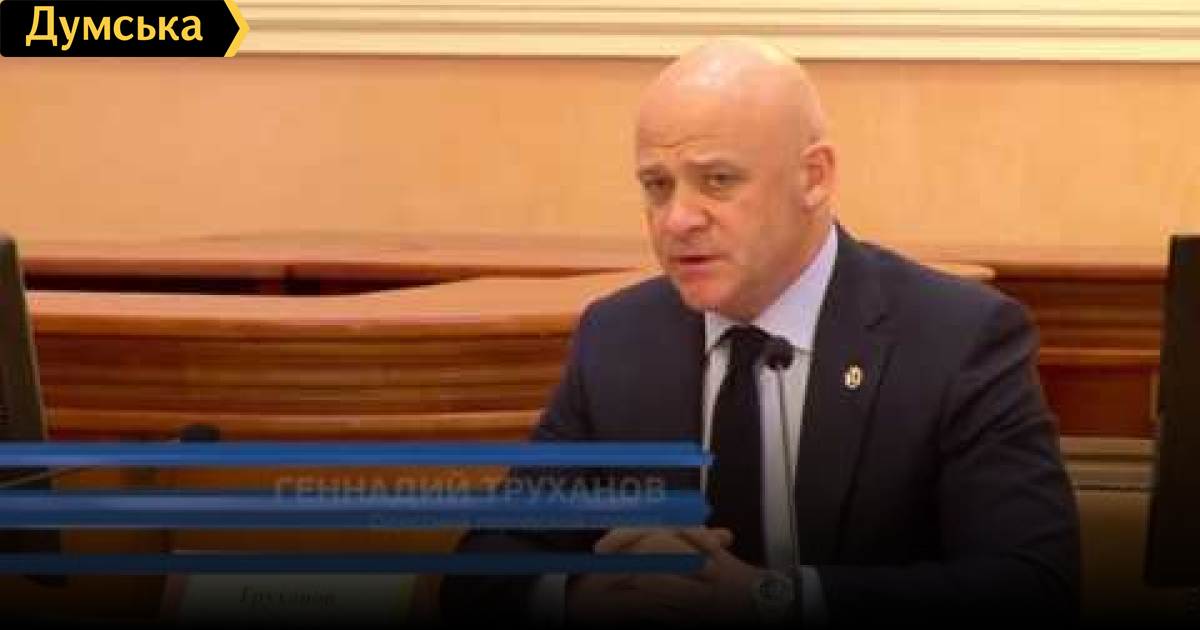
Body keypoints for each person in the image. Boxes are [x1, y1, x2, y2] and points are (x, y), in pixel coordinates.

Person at [439, 37, 1080, 627]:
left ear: (814, 177)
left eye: (718, 181)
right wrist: (581, 597)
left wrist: (775, 598)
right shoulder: (618, 338)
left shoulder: (958, 338)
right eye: (657, 187)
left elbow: (1033, 585)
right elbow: (484, 570)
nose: (677, 219)